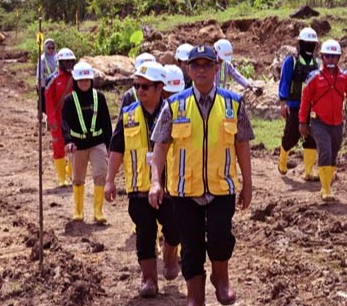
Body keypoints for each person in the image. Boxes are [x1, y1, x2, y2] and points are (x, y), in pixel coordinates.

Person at [148, 45, 254, 306]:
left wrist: (248, 184)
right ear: (189, 69)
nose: (202, 70)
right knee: (191, 244)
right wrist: (154, 182)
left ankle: (221, 279)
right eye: (196, 65)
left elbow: (242, 145)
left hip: (222, 186)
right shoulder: (174, 105)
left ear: (217, 68)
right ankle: (196, 295)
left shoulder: (233, 103)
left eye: (208, 65)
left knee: (220, 236)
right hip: (185, 189)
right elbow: (160, 145)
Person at [105, 61, 181, 298]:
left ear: (160, 88)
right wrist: (109, 180)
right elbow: (117, 148)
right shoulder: (128, 115)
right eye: (137, 85)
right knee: (145, 233)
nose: (140, 91)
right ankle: (149, 278)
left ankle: (169, 258)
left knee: (175, 229)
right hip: (139, 189)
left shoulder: (176, 113)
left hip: (171, 189)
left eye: (146, 86)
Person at [298, 39, 347, 202]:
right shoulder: (314, 77)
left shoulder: (344, 77)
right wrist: (302, 121)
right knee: (325, 150)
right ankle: (326, 189)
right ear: (322, 57)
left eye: (334, 56)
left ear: (338, 58)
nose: (331, 59)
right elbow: (305, 100)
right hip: (318, 122)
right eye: (327, 56)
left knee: (334, 152)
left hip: (337, 123)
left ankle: (327, 183)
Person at [62, 61, 112, 224]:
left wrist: (110, 145)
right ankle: (78, 211)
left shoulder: (99, 97)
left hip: (97, 143)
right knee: (78, 178)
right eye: (81, 81)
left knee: (100, 174)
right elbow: (65, 123)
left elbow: (106, 122)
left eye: (87, 80)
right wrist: (68, 141)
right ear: (76, 81)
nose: (84, 83)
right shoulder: (69, 101)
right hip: (78, 145)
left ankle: (98, 211)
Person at [277, 27, 320, 179]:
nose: (309, 46)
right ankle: (282, 161)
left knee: (311, 137)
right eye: (306, 43)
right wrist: (283, 103)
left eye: (312, 43)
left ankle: (308, 171)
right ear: (300, 43)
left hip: (312, 107)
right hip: (295, 106)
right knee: (291, 136)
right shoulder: (291, 61)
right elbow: (284, 82)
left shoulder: (317, 63)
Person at [45, 48, 77, 187]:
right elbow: (49, 101)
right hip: (57, 119)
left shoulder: (76, 78)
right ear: (60, 63)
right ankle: (61, 177)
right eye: (66, 62)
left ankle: (70, 170)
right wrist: (51, 120)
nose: (69, 64)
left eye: (71, 61)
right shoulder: (52, 79)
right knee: (58, 147)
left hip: (73, 119)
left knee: (75, 145)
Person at [36, 38, 58, 114]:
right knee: (43, 102)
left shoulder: (57, 58)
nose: (51, 50)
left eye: (53, 48)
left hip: (54, 83)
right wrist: (39, 83)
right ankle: (40, 113)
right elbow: (39, 73)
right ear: (45, 48)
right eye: (49, 48)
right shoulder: (42, 59)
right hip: (44, 84)